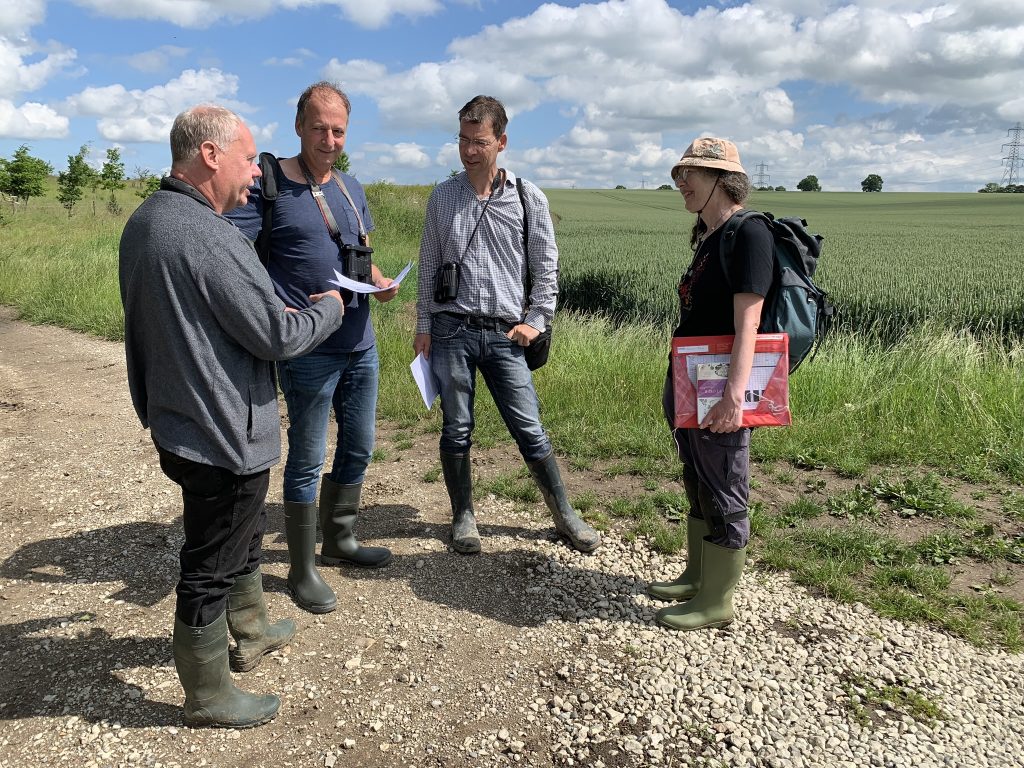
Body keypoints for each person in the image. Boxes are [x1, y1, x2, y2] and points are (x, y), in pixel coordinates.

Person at [119, 105, 345, 727]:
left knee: (240, 535)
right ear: (210, 156)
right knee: (209, 561)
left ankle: (250, 631)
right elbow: (274, 332)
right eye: (248, 159)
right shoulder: (209, 236)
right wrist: (331, 309)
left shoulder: (144, 221)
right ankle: (208, 693)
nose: (255, 174)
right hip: (222, 429)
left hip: (177, 420)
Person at [228, 82, 398, 615]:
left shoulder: (351, 187)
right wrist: (272, 308)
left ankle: (340, 538)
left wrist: (380, 278)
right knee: (305, 458)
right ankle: (302, 570)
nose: (329, 139)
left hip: (359, 342)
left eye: (339, 130)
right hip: (308, 346)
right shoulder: (270, 186)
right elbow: (232, 252)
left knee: (360, 444)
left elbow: (359, 254)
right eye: (320, 128)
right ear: (299, 125)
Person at [413, 94, 600, 555]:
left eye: (479, 141)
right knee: (457, 428)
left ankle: (564, 515)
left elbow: (547, 266)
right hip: (450, 330)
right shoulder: (443, 196)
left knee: (529, 428)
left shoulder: (527, 196)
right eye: (462, 140)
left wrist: (536, 320)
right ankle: (463, 517)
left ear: (501, 141)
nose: (469, 150)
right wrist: (423, 324)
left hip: (505, 333)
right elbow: (428, 263)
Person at [647, 137, 773, 631]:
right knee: (698, 476)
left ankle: (717, 599)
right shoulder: (710, 235)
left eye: (689, 174)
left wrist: (733, 398)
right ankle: (697, 577)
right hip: (691, 379)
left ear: (720, 179)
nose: (681, 183)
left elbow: (750, 325)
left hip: (719, 387)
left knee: (725, 482)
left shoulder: (749, 233)